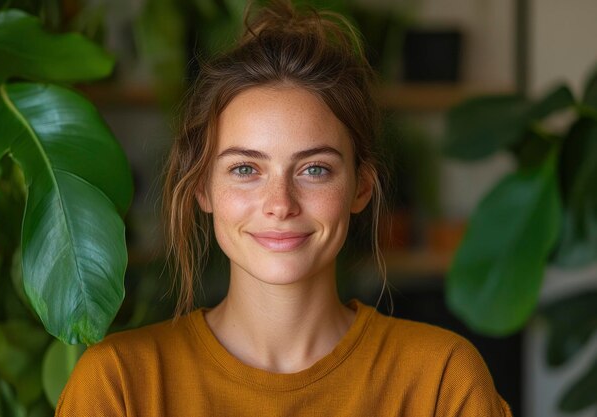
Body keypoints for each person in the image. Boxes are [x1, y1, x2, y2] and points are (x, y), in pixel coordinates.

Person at [56, 1, 512, 416]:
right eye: (245, 169)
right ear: (201, 188)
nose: (280, 204)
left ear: (361, 188)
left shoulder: (441, 380)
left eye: (314, 169)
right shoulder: (119, 385)